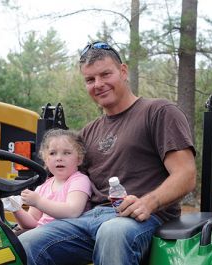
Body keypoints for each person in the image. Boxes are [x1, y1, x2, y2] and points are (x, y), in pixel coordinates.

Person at [18, 41, 197, 265]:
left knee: (112, 232)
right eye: (90, 80)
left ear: (123, 71)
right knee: (26, 244)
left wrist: (147, 203)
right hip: (88, 219)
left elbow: (186, 175)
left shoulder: (158, 112)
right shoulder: (87, 133)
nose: (98, 84)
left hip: (143, 218)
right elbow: (66, 183)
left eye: (105, 74)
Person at [9, 129, 92, 231]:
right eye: (52, 153)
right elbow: (32, 222)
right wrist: (15, 208)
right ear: (46, 160)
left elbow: (72, 211)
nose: (59, 158)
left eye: (67, 153)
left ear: (79, 159)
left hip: (66, 234)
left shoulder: (79, 181)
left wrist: (38, 201)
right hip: (41, 233)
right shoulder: (43, 186)